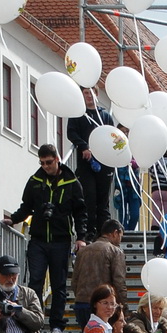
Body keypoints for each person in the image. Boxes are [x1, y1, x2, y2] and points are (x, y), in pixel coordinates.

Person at [3, 144, 83, 330]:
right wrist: (13, 219)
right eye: (42, 163)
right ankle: (35, 321)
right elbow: (26, 206)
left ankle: (56, 323)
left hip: (61, 240)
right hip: (38, 239)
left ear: (57, 159)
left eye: (49, 162)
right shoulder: (35, 181)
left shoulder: (71, 182)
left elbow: (80, 212)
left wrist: (82, 237)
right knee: (35, 282)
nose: (46, 166)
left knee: (59, 284)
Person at [66, 88, 117, 237]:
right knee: (88, 196)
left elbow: (112, 136)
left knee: (103, 200)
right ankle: (89, 231)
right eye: (86, 93)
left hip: (104, 162)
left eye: (91, 93)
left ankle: (104, 232)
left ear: (96, 94)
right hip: (85, 163)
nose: (89, 96)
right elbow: (71, 133)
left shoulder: (105, 116)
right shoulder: (77, 114)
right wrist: (83, 146)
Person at [72, 220, 126, 329]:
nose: (120, 240)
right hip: (103, 305)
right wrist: (123, 306)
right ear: (115, 233)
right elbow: (119, 281)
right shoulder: (115, 251)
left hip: (81, 303)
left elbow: (74, 281)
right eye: (120, 236)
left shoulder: (82, 251)